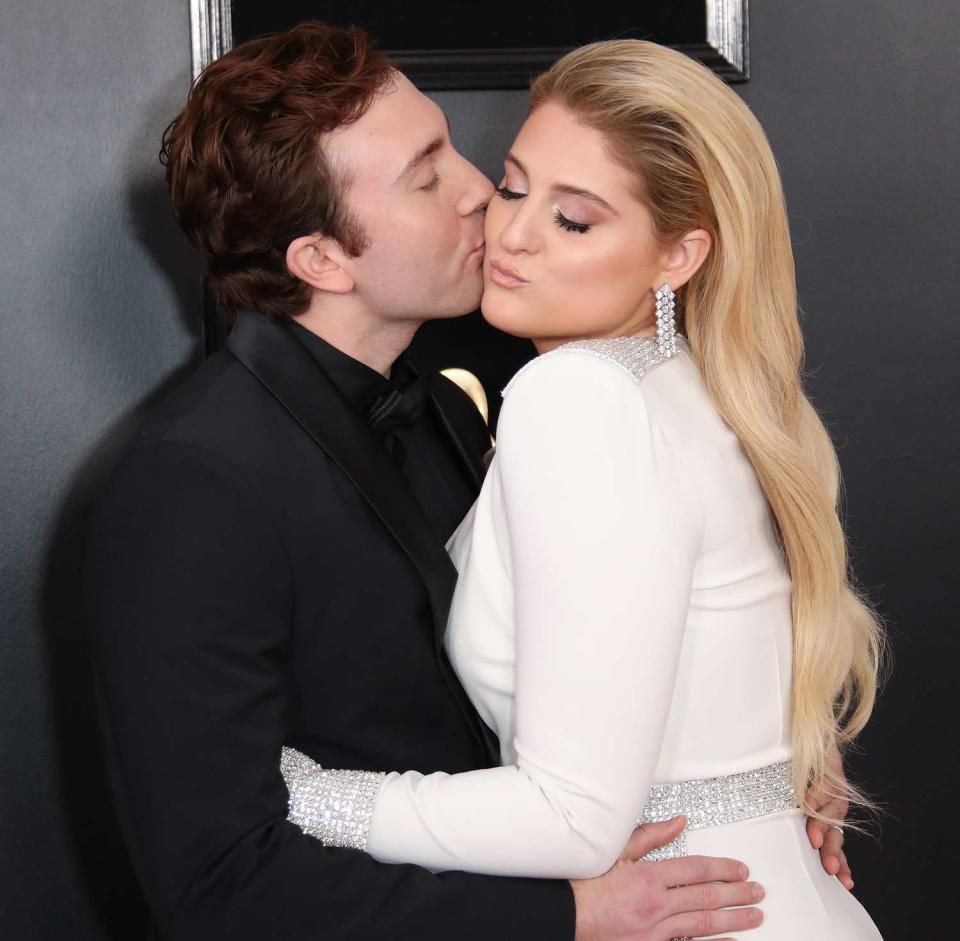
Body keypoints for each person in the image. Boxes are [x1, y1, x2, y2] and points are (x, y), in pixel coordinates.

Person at [84, 22, 850, 941]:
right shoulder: (191, 486)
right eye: (426, 175)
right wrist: (559, 915)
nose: (481, 195)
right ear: (320, 260)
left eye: (454, 146)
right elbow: (219, 883)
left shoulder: (505, 380)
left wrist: (764, 766)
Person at [278, 38, 885, 938]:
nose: (512, 233)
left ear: (678, 255)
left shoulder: (578, 398)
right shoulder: (700, 385)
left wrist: (304, 795)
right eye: (516, 187)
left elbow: (570, 816)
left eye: (576, 221)